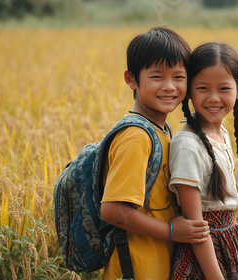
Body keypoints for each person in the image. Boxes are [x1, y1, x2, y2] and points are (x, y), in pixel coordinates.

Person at [100, 27, 210, 280]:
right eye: (157, 77)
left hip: (157, 265)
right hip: (134, 269)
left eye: (179, 77)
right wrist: (171, 230)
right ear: (131, 79)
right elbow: (113, 210)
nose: (169, 87)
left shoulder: (161, 130)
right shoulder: (136, 137)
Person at [169, 41, 238, 280]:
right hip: (206, 256)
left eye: (223, 89)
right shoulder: (188, 146)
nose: (213, 98)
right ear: (189, 89)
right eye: (202, 88)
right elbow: (196, 228)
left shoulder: (220, 134)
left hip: (230, 245)